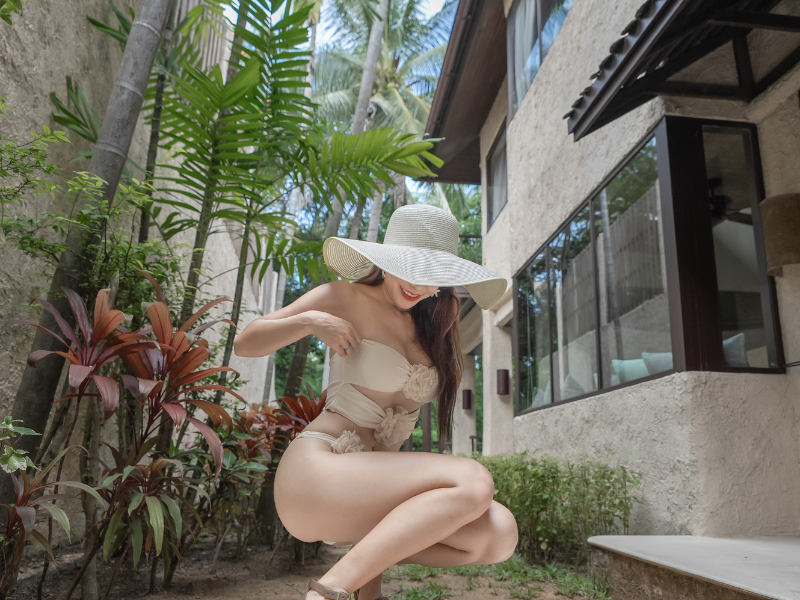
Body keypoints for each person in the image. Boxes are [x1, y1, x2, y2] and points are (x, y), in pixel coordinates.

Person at [234, 205, 518, 600]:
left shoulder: (440, 315)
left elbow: (386, 457)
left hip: (362, 497)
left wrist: (371, 593)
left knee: (500, 532)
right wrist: (311, 322)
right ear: (386, 260)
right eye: (410, 267)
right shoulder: (343, 296)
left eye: (432, 275)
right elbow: (245, 343)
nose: (418, 286)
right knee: (473, 481)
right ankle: (326, 592)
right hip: (317, 475)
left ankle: (351, 590)